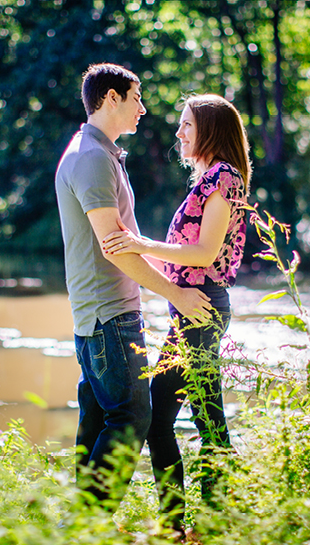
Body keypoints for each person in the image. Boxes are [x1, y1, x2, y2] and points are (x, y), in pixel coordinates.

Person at [54, 64, 213, 511]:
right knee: (131, 418)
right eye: (135, 97)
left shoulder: (98, 153)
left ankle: (80, 523)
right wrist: (175, 293)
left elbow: (125, 242)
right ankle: (90, 525)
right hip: (109, 315)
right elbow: (114, 248)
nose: (143, 108)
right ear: (110, 98)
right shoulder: (91, 158)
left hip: (99, 314)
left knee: (99, 418)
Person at [102, 94, 252, 534]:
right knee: (175, 418)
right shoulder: (209, 178)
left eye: (187, 125)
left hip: (201, 308)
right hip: (191, 311)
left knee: (200, 420)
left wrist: (140, 243)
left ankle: (202, 526)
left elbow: (204, 253)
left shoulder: (223, 177)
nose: (179, 133)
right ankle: (184, 526)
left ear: (210, 129)